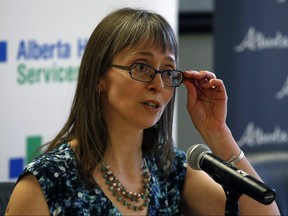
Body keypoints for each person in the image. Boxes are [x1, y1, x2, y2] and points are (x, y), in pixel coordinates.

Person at [6, 7, 279, 216]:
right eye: (141, 67)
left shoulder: (169, 170)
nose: (157, 85)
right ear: (99, 77)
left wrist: (217, 131)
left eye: (167, 70)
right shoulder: (47, 181)